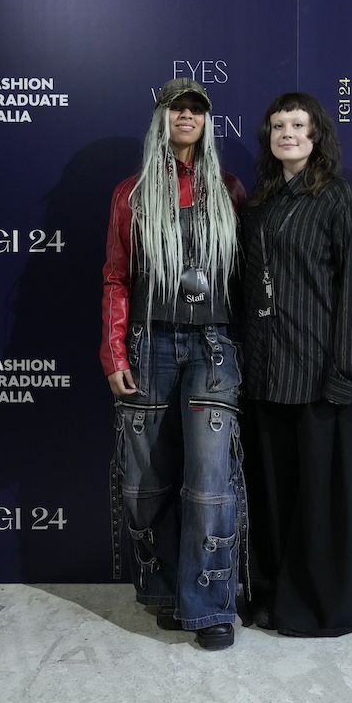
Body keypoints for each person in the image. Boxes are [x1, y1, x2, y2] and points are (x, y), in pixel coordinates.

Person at [239, 91, 352, 636]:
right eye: (278, 125)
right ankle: (271, 596)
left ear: (316, 136)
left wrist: (345, 373)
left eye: (298, 124)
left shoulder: (340, 199)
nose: (287, 132)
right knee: (275, 498)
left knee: (319, 503)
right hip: (264, 377)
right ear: (268, 136)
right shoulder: (259, 203)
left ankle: (318, 605)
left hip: (318, 378)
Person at [102, 77, 246, 650]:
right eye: (176, 108)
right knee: (147, 482)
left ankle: (210, 606)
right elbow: (115, 276)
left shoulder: (230, 191)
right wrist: (113, 351)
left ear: (207, 122)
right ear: (160, 117)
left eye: (196, 109)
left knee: (210, 480)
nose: (186, 116)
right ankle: (163, 592)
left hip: (213, 346)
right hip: (148, 344)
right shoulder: (130, 194)